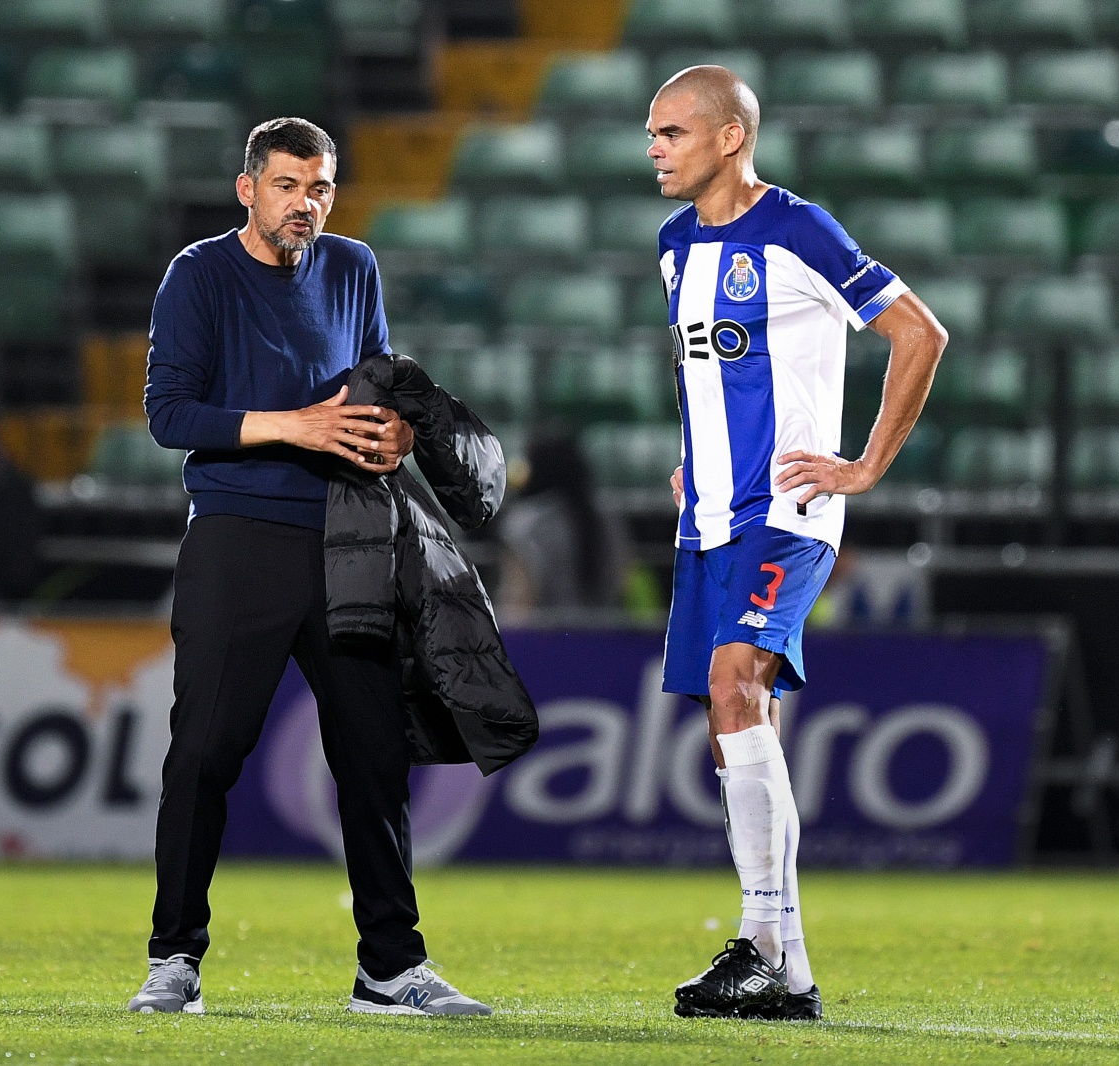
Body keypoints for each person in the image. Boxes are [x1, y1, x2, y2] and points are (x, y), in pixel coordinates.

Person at [129, 117, 492, 1017]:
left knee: (374, 758)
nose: (306, 204)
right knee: (204, 753)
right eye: (289, 185)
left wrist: (396, 428)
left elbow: (370, 383)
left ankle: (390, 969)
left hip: (347, 538)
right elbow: (169, 413)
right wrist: (294, 424)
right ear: (247, 189)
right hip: (237, 536)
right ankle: (174, 959)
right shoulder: (199, 274)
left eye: (321, 187)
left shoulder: (354, 266)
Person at [647, 67, 948, 1020]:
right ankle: (787, 968)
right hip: (710, 518)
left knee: (739, 677)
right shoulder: (671, 245)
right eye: (651, 133)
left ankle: (762, 945)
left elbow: (920, 334)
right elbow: (708, 375)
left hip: (790, 510)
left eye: (673, 131)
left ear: (731, 138)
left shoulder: (798, 231)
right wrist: (690, 458)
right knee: (729, 714)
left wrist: (863, 466)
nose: (654, 147)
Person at [497, 428, 626, 617]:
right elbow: (621, 580)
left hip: (544, 641)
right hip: (604, 637)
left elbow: (519, 603)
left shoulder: (524, 525)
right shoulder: (609, 519)